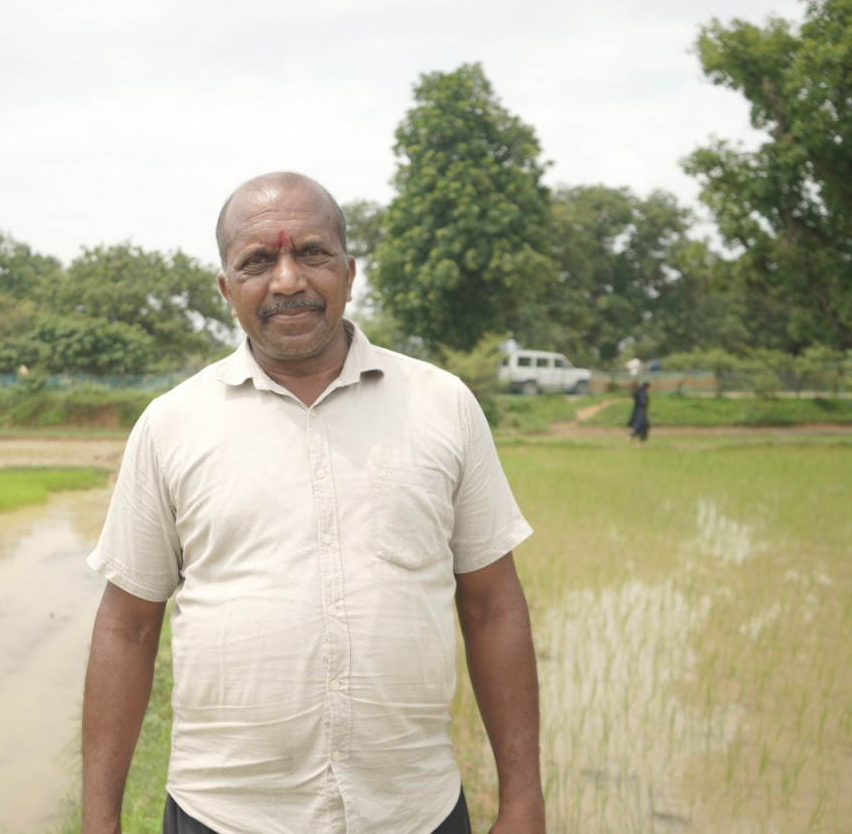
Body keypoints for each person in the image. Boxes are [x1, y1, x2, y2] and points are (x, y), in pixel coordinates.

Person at [80, 172, 545, 834]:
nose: (287, 279)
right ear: (226, 289)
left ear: (349, 273)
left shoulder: (443, 405)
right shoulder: (171, 424)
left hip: (414, 811)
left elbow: (493, 606)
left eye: (313, 253)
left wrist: (523, 800)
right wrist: (100, 821)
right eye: (257, 261)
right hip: (223, 813)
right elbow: (126, 628)